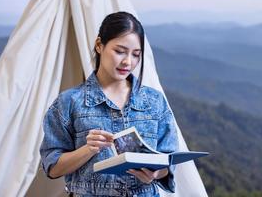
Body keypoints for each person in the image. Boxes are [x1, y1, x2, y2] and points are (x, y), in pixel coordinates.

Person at [40, 11, 178, 197]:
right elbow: (53, 168)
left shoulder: (155, 101)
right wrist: (88, 149)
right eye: (120, 51)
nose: (128, 61)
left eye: (136, 54)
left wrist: (155, 173)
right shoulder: (68, 102)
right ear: (99, 45)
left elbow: (168, 162)